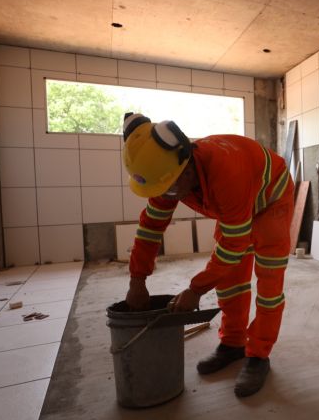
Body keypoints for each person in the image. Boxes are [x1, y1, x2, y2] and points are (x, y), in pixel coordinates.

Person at [121, 112, 294, 397]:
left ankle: (258, 355)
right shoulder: (167, 175)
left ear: (186, 169)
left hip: (270, 203)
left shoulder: (227, 172)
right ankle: (233, 344)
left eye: (168, 188)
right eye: (160, 190)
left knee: (269, 286)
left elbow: (234, 244)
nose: (166, 196)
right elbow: (151, 228)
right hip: (236, 204)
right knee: (230, 282)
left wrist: (196, 289)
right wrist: (136, 281)